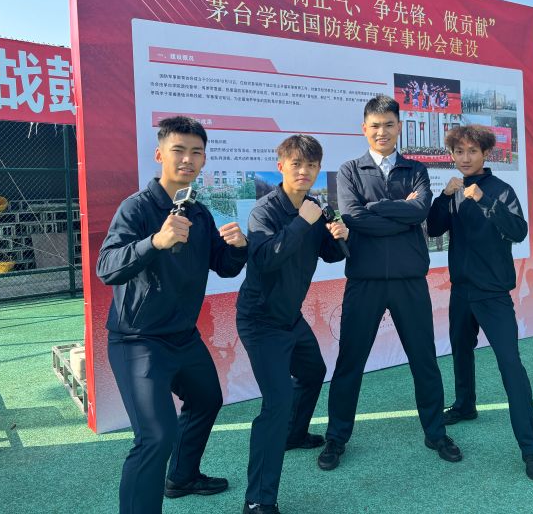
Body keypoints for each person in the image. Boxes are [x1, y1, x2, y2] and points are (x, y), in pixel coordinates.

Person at [97, 116, 248, 513]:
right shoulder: (137, 208)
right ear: (159, 154)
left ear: (204, 160)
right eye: (178, 150)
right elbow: (106, 267)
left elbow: (224, 266)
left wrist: (238, 247)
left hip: (182, 336)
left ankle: (181, 477)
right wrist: (155, 242)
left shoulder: (198, 212)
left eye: (196, 152)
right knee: (155, 437)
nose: (187, 159)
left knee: (207, 399)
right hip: (137, 340)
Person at [318, 94, 462, 471]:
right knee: (350, 361)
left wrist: (377, 210)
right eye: (375, 126)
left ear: (399, 127)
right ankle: (336, 438)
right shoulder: (350, 170)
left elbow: (420, 211)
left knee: (424, 359)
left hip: (408, 279)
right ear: (364, 129)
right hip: (364, 280)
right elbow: (353, 217)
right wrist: (399, 214)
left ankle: (436, 432)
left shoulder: (416, 169)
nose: (381, 132)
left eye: (388, 125)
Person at [426, 124, 533, 481]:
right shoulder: (454, 190)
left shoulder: (500, 190)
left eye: (472, 151)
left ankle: (531, 449)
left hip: (493, 294)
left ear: (485, 154)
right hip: (461, 290)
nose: (465, 158)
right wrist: (443, 197)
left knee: (510, 364)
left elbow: (518, 231)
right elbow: (433, 229)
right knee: (461, 351)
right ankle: (465, 405)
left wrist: (483, 200)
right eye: (459, 152)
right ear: (452, 155)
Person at [236, 135, 349, 514]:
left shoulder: (316, 207)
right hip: (260, 319)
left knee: (313, 370)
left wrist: (339, 236)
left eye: (311, 165)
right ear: (281, 166)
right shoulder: (265, 211)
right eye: (297, 164)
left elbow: (330, 255)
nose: (304, 171)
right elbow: (265, 259)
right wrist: (303, 222)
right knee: (277, 402)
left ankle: (294, 435)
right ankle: (258, 500)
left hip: (290, 317)